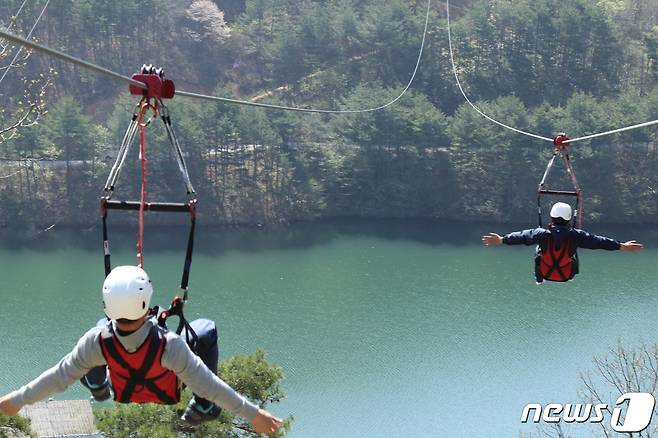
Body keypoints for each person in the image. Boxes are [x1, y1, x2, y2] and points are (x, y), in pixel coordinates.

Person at [0, 266, 282, 435]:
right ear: (146, 301)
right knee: (206, 328)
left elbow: (58, 377)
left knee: (97, 333)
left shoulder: (97, 341)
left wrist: (18, 400)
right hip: (168, 389)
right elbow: (211, 386)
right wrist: (254, 414)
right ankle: (203, 408)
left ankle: (98, 386)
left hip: (122, 388)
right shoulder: (170, 346)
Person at [481, 202, 643, 283]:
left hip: (544, 271)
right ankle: (569, 276)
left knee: (538, 247)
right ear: (569, 219)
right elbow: (599, 242)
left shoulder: (542, 234)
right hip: (566, 274)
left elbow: (522, 236)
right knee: (573, 250)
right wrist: (622, 246)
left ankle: (539, 280)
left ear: (551, 218)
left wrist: (501, 240)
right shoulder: (576, 236)